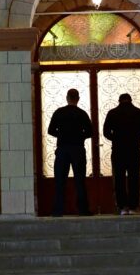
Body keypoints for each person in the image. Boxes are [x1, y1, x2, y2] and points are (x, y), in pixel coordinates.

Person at [48, 88, 93, 217]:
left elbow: (50, 130)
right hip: (78, 149)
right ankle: (83, 210)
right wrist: (79, 136)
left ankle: (58, 211)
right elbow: (90, 132)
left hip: (62, 149)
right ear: (78, 99)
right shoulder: (82, 114)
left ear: (67, 98)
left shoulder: (59, 112)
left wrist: (62, 135)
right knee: (80, 180)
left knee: (60, 180)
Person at [103, 93, 140, 215]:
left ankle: (122, 206)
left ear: (119, 101)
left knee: (119, 179)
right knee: (134, 178)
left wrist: (116, 138)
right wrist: (135, 138)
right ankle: (133, 206)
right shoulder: (138, 112)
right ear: (130, 100)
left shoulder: (112, 113)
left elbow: (106, 132)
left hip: (118, 150)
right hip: (134, 150)